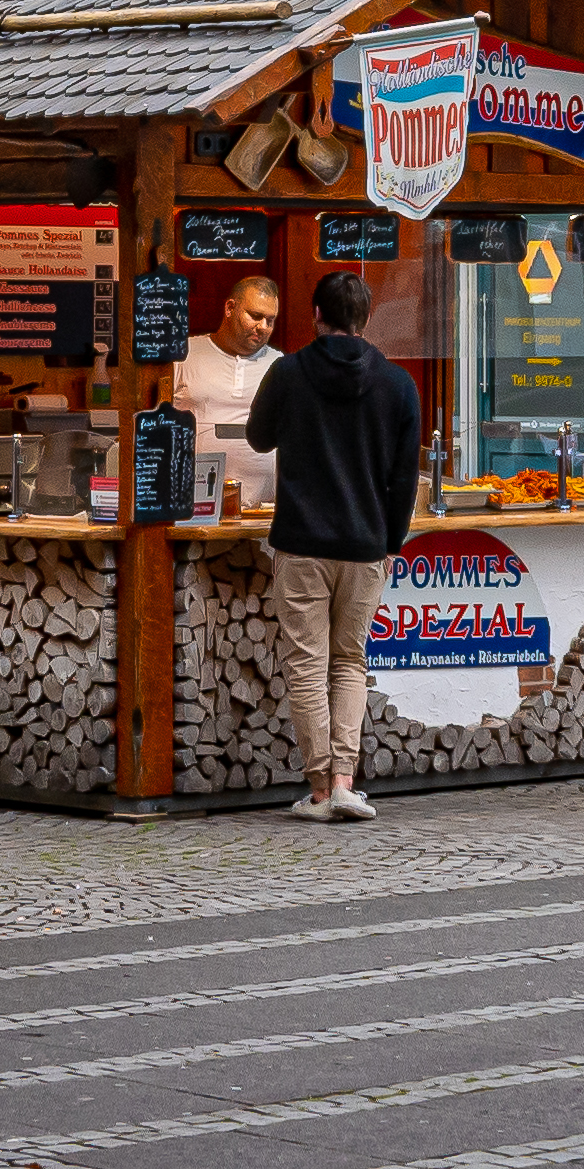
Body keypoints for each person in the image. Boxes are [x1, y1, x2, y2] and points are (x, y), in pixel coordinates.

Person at [245, 270, 425, 823]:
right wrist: (390, 540)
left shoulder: (288, 371)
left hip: (300, 543)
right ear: (366, 321)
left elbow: (257, 437)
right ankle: (346, 781)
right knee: (349, 661)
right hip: (366, 544)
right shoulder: (399, 385)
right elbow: (404, 477)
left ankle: (321, 790)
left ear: (316, 317)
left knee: (307, 666)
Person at [175, 273, 290, 516]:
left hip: (265, 511)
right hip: (194, 510)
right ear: (230, 308)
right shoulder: (184, 355)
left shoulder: (280, 365)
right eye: (256, 316)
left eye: (270, 320)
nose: (264, 327)